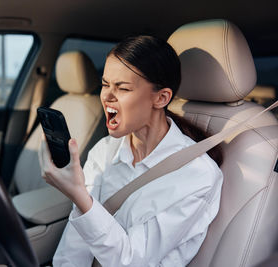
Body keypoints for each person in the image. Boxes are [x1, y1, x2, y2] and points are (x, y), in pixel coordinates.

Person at [39, 35, 223, 267]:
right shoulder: (104, 151)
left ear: (161, 98)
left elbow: (131, 260)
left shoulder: (198, 175)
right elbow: (74, 246)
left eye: (122, 88)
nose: (107, 96)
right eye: (105, 84)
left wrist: (79, 197)